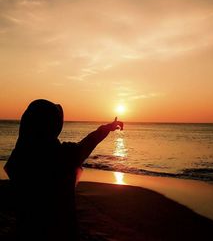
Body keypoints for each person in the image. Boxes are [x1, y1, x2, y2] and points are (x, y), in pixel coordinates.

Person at [4, 99, 123, 241]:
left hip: (26, 230)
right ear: (54, 125)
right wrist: (108, 127)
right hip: (61, 230)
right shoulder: (64, 155)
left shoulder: (19, 157)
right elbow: (89, 142)